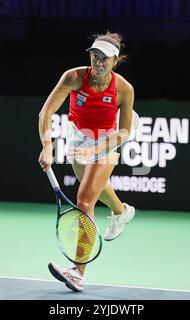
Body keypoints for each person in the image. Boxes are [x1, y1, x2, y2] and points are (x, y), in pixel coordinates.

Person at [38, 31, 137, 292]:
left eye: (105, 58)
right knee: (95, 188)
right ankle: (120, 211)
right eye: (95, 55)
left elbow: (125, 132)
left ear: (116, 60)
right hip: (79, 137)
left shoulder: (124, 89)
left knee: (84, 200)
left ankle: (77, 271)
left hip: (107, 139)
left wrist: (98, 148)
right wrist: (48, 146)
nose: (98, 62)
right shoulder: (73, 77)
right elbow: (47, 111)